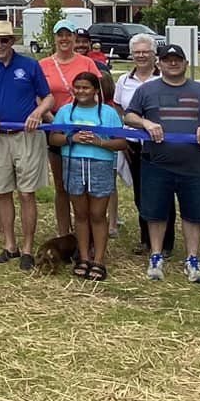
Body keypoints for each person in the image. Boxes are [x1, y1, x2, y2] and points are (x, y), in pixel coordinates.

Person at [125, 44, 200, 283]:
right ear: (159, 63)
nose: (172, 63)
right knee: (156, 213)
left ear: (186, 63)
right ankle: (156, 256)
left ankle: (192, 258)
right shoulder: (146, 90)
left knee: (193, 213)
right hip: (157, 163)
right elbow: (129, 115)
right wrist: (146, 124)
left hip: (194, 164)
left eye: (177, 59)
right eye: (167, 59)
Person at [0, 20, 51, 268]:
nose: (0, 44)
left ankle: (27, 248)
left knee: (26, 193)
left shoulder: (29, 65)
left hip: (26, 136)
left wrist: (38, 112)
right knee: (1, 191)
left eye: (4, 40)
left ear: (12, 41)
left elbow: (48, 96)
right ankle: (9, 245)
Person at [48, 68, 126, 279]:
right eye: (78, 87)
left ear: (95, 90)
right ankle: (83, 257)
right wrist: (71, 139)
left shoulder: (108, 113)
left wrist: (101, 142)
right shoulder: (65, 111)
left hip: (100, 165)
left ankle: (98, 260)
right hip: (73, 163)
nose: (81, 91)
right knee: (81, 215)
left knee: (97, 215)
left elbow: (122, 142)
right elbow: (53, 138)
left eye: (86, 87)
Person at [37, 24, 99, 239]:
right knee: (61, 183)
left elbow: (97, 92)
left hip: (85, 125)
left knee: (86, 183)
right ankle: (64, 232)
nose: (64, 39)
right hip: (55, 125)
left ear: (74, 37)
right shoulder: (43, 64)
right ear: (54, 38)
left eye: (68, 35)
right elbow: (38, 96)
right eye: (60, 35)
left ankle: (88, 230)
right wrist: (54, 121)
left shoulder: (87, 63)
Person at [113, 34, 161, 253]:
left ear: (154, 54)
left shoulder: (163, 78)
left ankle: (164, 243)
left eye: (146, 52)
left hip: (160, 143)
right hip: (133, 144)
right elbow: (119, 108)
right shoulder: (124, 80)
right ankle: (146, 239)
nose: (141, 56)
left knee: (161, 192)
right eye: (137, 52)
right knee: (140, 193)